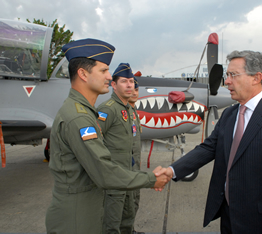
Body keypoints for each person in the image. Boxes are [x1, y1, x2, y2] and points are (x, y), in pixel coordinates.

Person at [161, 50, 262, 233]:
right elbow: (208, 148)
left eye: (233, 75)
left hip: (260, 221)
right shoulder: (230, 114)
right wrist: (172, 170)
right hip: (228, 215)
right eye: (227, 75)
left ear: (256, 77)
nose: (226, 81)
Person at [45, 39, 169, 234]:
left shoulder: (85, 112)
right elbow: (103, 171)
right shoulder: (79, 117)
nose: (109, 76)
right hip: (77, 218)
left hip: (88, 209)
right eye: (103, 71)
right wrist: (151, 179)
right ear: (83, 74)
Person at [97, 63, 144, 234]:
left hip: (129, 174)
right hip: (114, 177)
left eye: (131, 81)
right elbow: (94, 142)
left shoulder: (128, 110)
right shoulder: (108, 110)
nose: (130, 85)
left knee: (128, 215)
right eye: (124, 81)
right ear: (114, 85)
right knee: (111, 222)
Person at [129, 75, 143, 234]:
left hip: (134, 169)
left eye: (136, 89)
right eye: (131, 89)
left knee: (134, 201)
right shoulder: (117, 111)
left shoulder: (133, 112)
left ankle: (130, 229)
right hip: (125, 169)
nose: (134, 92)